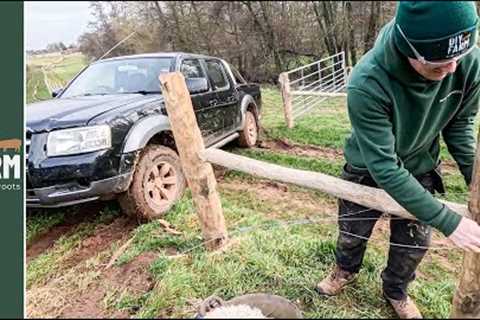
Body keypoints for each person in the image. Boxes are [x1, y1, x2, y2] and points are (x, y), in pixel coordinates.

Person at [315, 2, 480, 319]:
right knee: (352, 232)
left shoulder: (466, 60)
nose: (454, 69)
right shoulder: (367, 82)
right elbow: (386, 168)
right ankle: (344, 270)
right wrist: (449, 222)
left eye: (458, 57)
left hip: (420, 166)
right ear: (411, 51)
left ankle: (396, 290)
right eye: (439, 65)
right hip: (368, 167)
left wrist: (477, 181)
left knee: (413, 244)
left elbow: (460, 128)